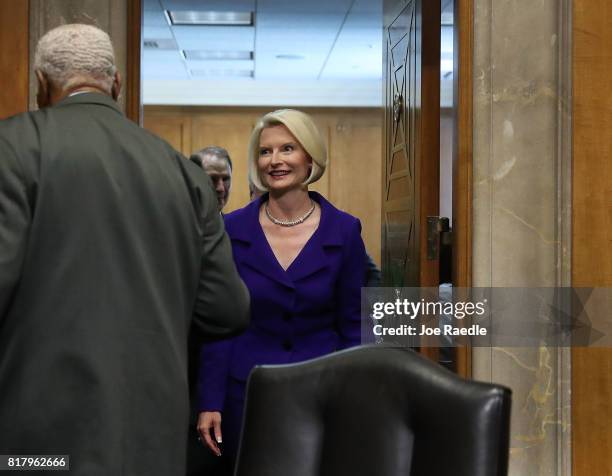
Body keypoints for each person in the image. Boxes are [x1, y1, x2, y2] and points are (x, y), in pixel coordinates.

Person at [0, 24, 249, 476]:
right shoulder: (184, 173)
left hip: (36, 444)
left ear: (41, 84)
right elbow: (227, 308)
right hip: (151, 438)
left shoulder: (11, 147)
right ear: (117, 84)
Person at [196, 109, 367, 469]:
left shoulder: (345, 231)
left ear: (310, 158)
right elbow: (219, 324)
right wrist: (209, 400)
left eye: (287, 149)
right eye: (265, 151)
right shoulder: (231, 229)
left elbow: (353, 327)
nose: (274, 160)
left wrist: (355, 400)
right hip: (245, 395)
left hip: (322, 393)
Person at [190, 146, 233, 212]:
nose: (221, 188)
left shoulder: (233, 221)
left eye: (225, 179)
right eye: (213, 179)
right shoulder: (177, 221)